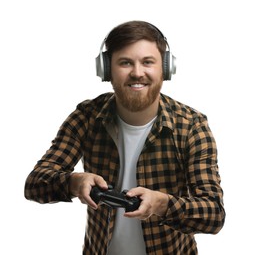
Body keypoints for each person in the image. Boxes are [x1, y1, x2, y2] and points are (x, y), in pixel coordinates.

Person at [24, 20, 225, 254]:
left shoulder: (191, 126)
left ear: (166, 69)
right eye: (125, 63)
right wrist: (73, 183)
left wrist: (162, 204)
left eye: (148, 62)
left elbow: (213, 214)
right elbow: (34, 184)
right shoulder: (86, 117)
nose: (137, 73)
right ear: (107, 69)